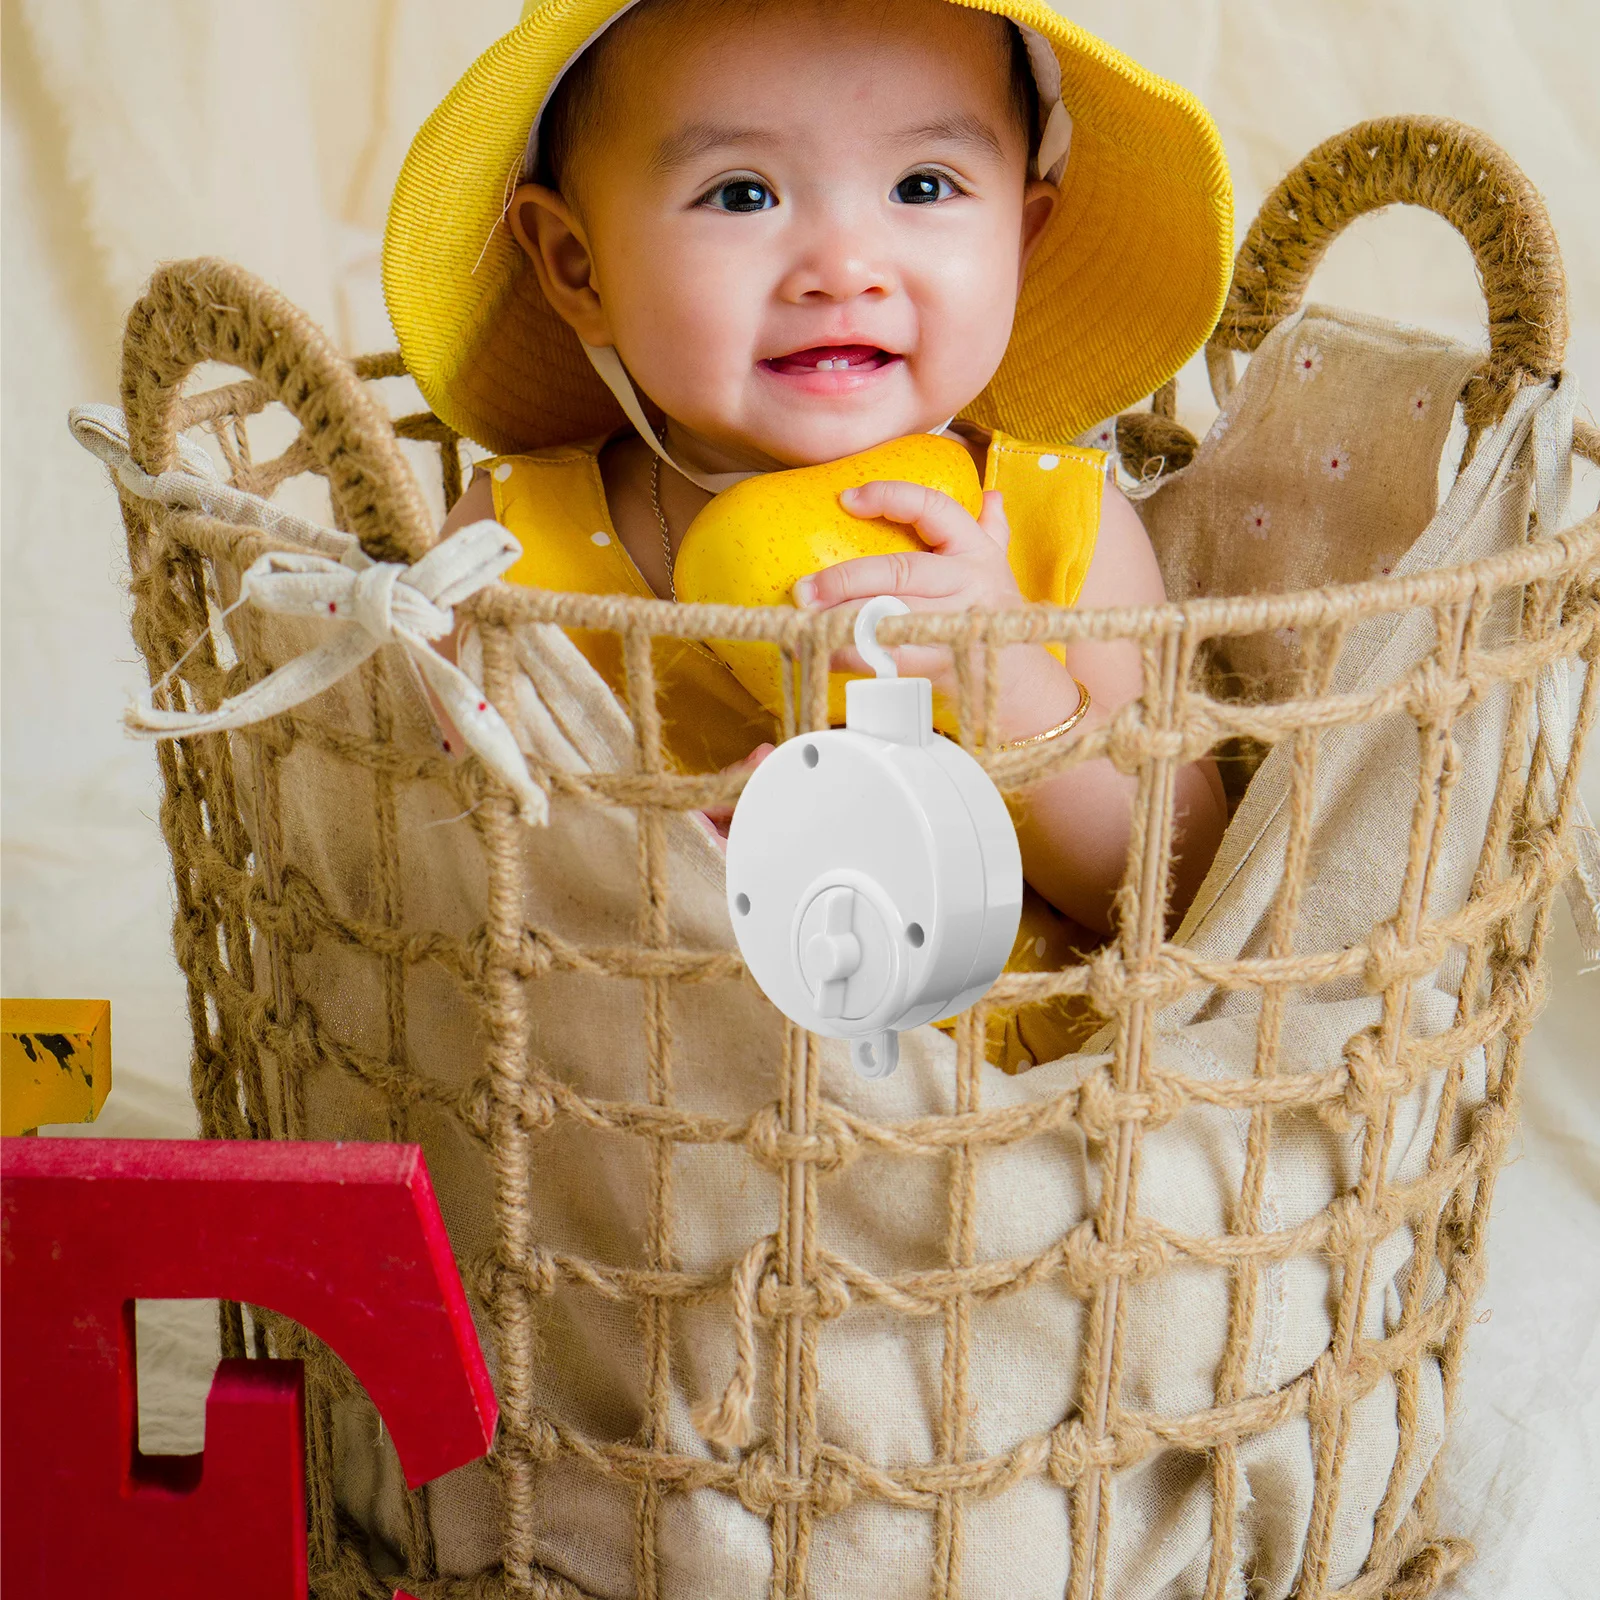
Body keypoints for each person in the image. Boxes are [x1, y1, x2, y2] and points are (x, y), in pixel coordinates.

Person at [384, 0, 1233, 1069]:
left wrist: (1008, 682)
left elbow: (1191, 888)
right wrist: (642, 851)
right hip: (623, 1109)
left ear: (1020, 233)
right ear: (577, 265)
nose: (842, 265)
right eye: (741, 193)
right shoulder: (512, 539)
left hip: (993, 1123)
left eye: (923, 186)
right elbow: (411, 856)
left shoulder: (1056, 522)